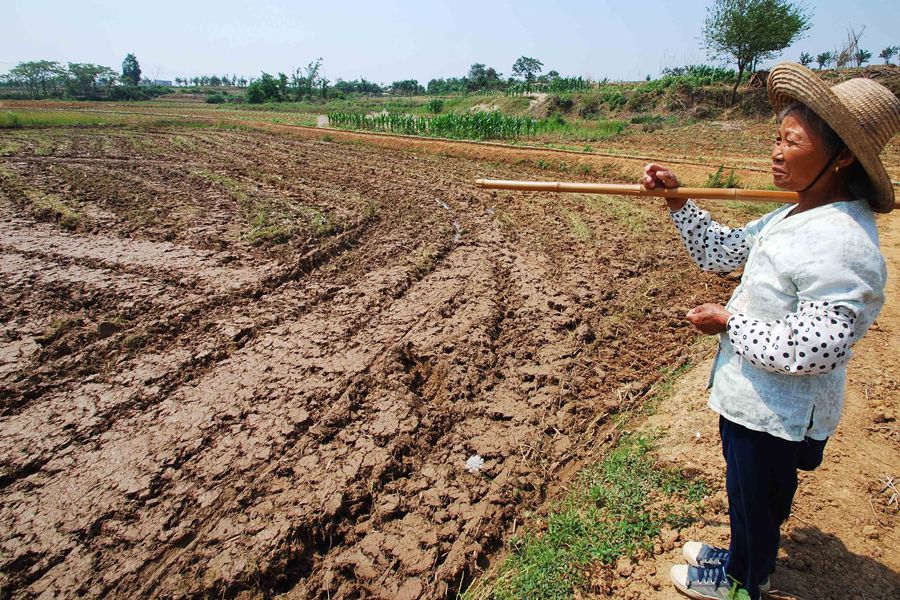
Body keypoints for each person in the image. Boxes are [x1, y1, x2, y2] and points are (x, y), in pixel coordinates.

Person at [642, 62, 899, 600]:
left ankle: (742, 581)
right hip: (753, 400)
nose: (777, 153)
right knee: (747, 494)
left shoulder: (843, 243)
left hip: (778, 414)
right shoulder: (791, 213)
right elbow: (720, 252)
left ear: (843, 156)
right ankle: (742, 554)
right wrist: (678, 201)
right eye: (776, 139)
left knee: (758, 502)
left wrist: (728, 321)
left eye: (792, 142)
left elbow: (817, 348)